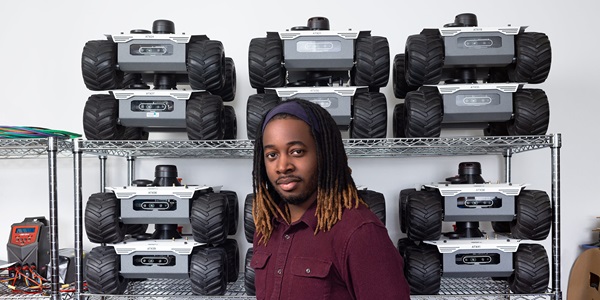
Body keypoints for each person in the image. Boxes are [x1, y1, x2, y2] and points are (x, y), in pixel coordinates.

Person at [250, 98, 411, 299]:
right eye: (272, 155)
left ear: (324, 153)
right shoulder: (266, 229)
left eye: (297, 151)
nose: (282, 166)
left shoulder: (360, 233)